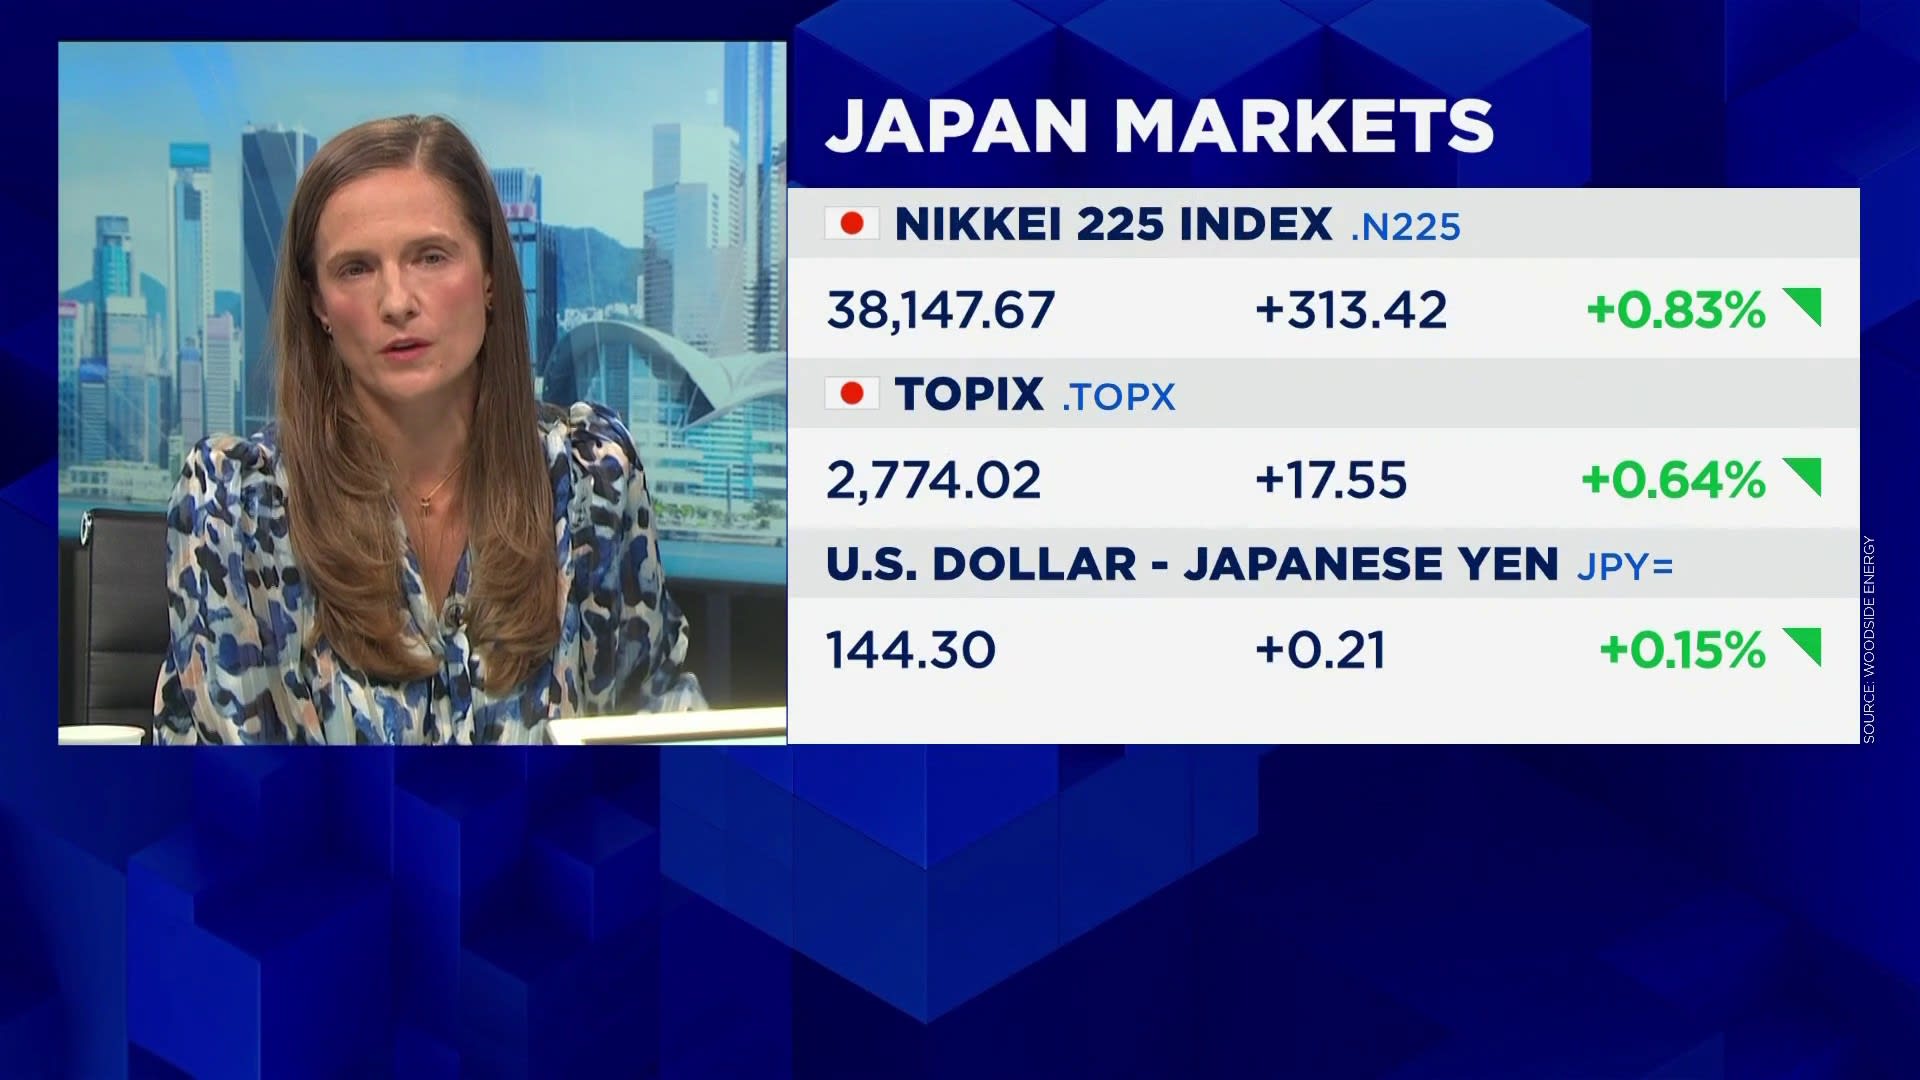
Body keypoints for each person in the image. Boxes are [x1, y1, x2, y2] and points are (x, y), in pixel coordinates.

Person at [154, 114, 704, 744]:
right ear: (318, 304)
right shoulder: (236, 504)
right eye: (355, 268)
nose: (396, 302)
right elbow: (220, 783)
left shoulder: (590, 478)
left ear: (490, 276)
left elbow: (654, 709)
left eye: (431, 257)